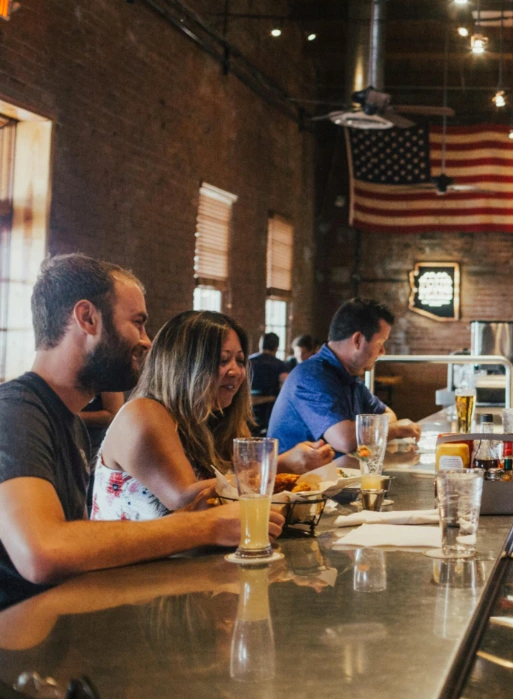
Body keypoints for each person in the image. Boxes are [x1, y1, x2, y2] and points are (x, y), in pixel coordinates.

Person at [0, 255, 286, 610]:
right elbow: (42, 552)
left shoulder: (66, 419)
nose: (148, 342)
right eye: (138, 323)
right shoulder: (15, 411)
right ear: (87, 318)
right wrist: (207, 525)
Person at [94, 311, 333, 521]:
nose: (236, 371)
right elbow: (190, 503)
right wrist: (280, 464)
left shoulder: (217, 419)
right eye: (222, 360)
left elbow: (243, 499)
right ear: (182, 365)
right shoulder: (143, 413)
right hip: (134, 572)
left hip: (199, 566)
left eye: (240, 360)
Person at [268, 298, 421, 456]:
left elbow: (388, 415)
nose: (383, 352)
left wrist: (366, 430)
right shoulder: (311, 376)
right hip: (297, 479)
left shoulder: (349, 375)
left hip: (331, 475)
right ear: (357, 340)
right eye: (380, 343)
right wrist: (396, 429)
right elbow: (345, 440)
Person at [248, 332, 289, 431]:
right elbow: (286, 389)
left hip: (248, 406)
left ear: (260, 344)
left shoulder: (248, 361)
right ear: (276, 347)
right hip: (270, 410)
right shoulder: (281, 365)